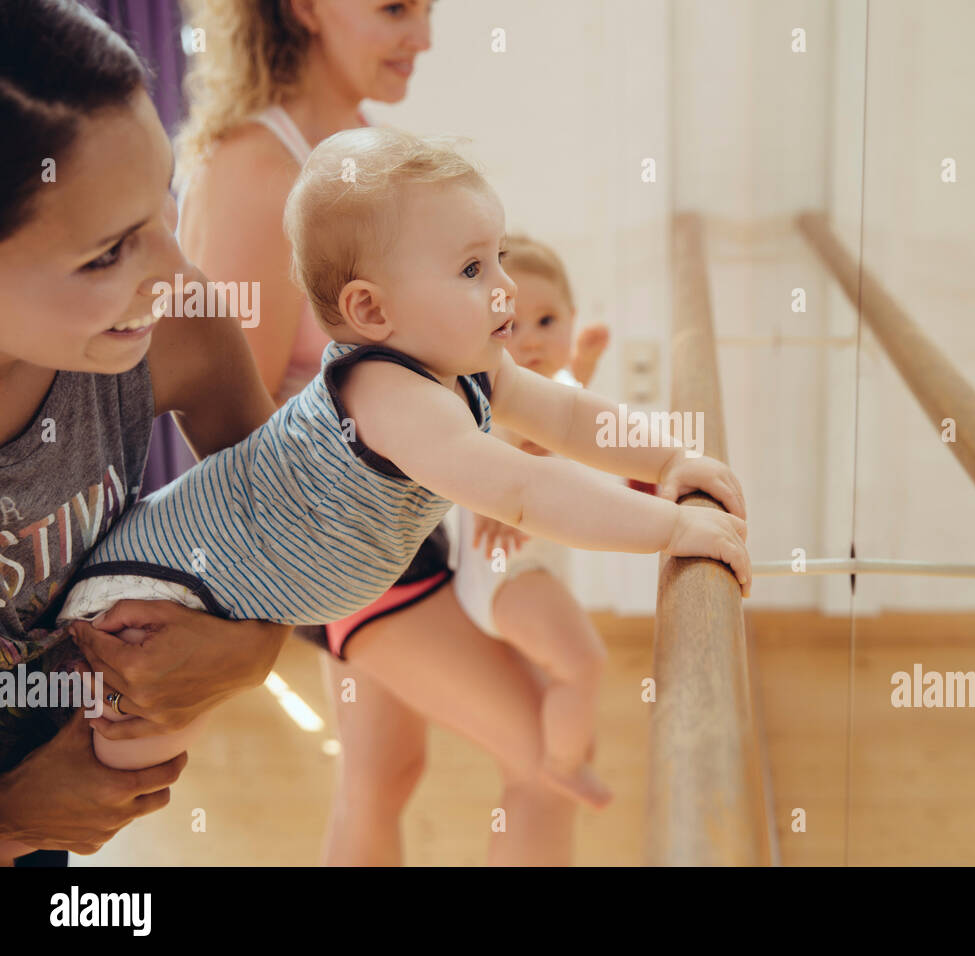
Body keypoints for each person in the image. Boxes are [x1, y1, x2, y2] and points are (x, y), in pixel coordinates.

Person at [4, 128, 752, 853]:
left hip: (228, 588)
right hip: (155, 594)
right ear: (370, 311)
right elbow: (522, 488)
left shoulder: (462, 364)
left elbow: (564, 413)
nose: (506, 288)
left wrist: (669, 461)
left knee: (113, 781)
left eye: (498, 256)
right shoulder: (387, 393)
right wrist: (670, 529)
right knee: (100, 779)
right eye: (471, 270)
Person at [0, 0, 289, 866]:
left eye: (166, 206)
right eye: (106, 253)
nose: (174, 270)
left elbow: (286, 547)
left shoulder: (182, 329)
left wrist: (250, 653)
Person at [447, 233, 614, 807]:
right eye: (513, 326)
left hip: (523, 571)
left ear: (572, 318)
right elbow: (537, 436)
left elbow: (563, 416)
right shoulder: (493, 392)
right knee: (584, 662)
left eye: (548, 321)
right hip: (508, 578)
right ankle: (563, 763)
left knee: (558, 676)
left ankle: (560, 741)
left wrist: (583, 370)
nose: (534, 341)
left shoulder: (543, 390)